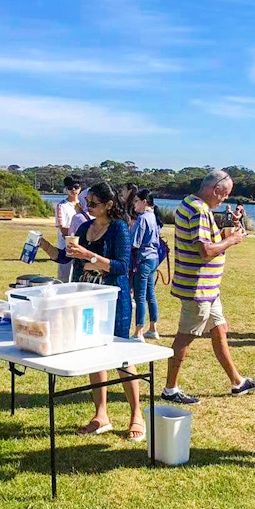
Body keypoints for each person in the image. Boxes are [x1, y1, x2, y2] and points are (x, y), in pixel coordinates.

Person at [162, 170, 255, 404]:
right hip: (198, 288)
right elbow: (205, 251)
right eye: (225, 194)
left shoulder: (188, 203)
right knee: (185, 338)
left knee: (219, 330)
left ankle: (237, 382)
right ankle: (170, 388)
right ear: (215, 189)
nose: (225, 200)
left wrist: (222, 234)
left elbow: (203, 241)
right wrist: (232, 240)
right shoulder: (199, 210)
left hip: (207, 288)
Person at [65, 182, 145, 441]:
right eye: (88, 203)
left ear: (109, 205)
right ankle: (101, 416)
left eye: (94, 204)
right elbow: (69, 259)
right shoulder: (86, 227)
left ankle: (136, 415)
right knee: (93, 353)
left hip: (114, 300)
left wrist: (89, 256)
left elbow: (122, 266)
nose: (89, 207)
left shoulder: (119, 228)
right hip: (88, 299)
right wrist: (44, 246)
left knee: (121, 357)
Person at [130, 189, 161, 341]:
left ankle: (138, 332)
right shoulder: (153, 216)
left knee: (140, 296)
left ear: (144, 202)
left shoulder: (142, 218)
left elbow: (134, 242)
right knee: (150, 294)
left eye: (136, 201)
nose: (134, 204)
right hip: (153, 258)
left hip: (144, 259)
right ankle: (153, 328)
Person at [55, 175, 81, 282]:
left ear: (80, 188)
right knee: (64, 278)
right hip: (66, 247)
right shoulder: (61, 206)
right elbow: (63, 229)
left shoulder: (85, 205)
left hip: (83, 246)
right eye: (70, 188)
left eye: (76, 187)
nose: (73, 190)